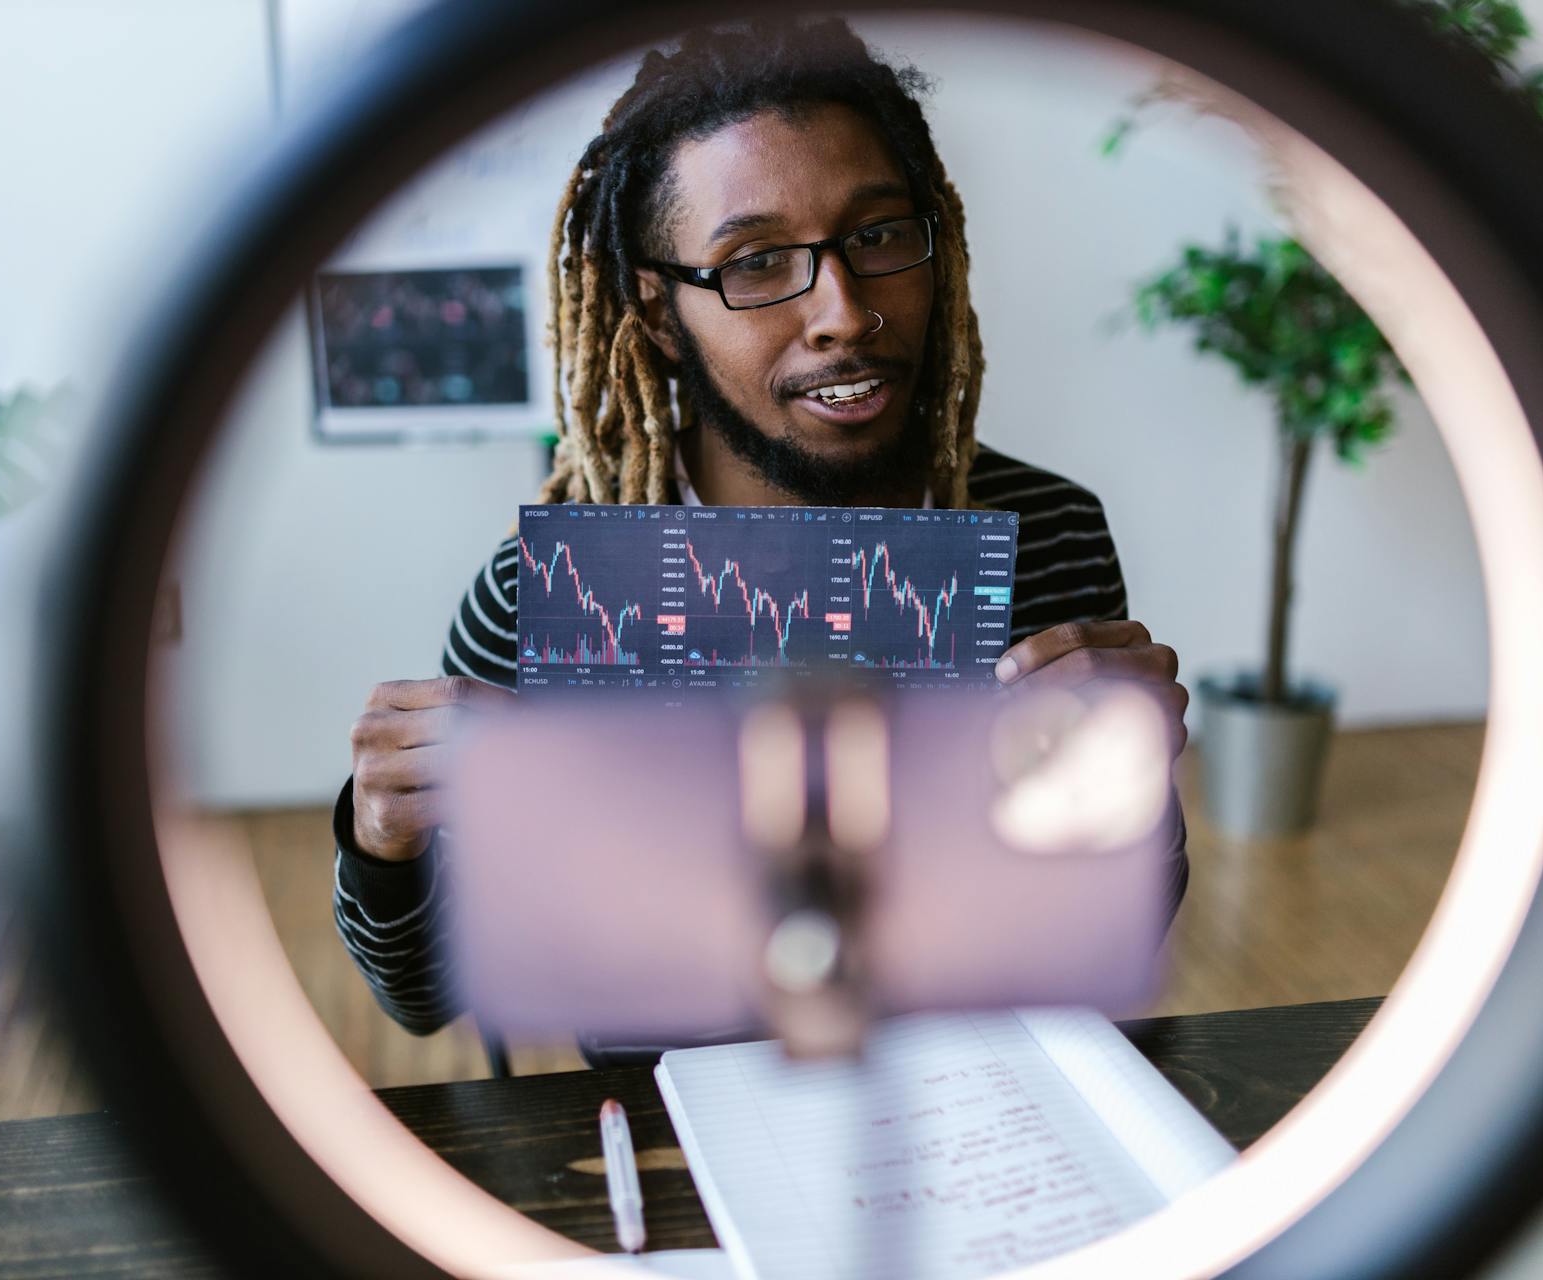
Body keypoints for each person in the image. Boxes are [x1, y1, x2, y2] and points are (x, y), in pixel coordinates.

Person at [331, 18, 1190, 1049]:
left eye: (877, 234)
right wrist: (383, 839)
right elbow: (421, 999)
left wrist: (1133, 793)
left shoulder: (1048, 532)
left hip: (972, 1109)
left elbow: (1114, 918)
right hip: (667, 1137)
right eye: (757, 261)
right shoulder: (537, 599)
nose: (842, 310)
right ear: (656, 312)